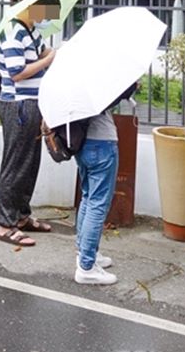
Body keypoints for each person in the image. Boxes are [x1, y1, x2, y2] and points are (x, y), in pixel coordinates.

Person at [0, 0, 59, 247]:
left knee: (31, 162)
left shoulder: (33, 32)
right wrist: (48, 60)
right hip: (18, 105)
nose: (47, 19)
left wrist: (48, 55)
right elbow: (17, 73)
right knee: (16, 162)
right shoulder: (13, 32)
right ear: (33, 8)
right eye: (45, 13)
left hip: (34, 103)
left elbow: (42, 55)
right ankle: (5, 223)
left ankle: (22, 216)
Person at [74, 107, 119, 285]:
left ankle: (85, 252)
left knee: (88, 198)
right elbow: (114, 96)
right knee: (98, 204)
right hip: (102, 143)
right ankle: (86, 267)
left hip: (83, 143)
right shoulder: (96, 84)